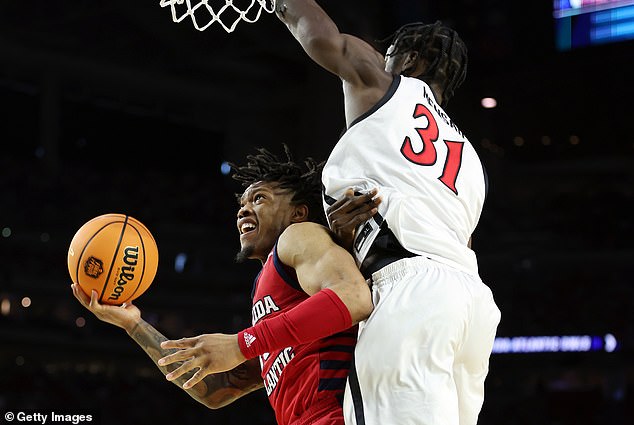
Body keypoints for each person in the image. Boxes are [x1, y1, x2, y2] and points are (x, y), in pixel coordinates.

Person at [273, 2, 502, 425]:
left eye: (390, 50)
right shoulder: (471, 162)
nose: (382, 56)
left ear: (409, 59)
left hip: (412, 291)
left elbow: (324, 37)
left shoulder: (384, 83)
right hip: (472, 307)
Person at [71, 145, 375, 425]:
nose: (243, 209)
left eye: (259, 198)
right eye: (242, 202)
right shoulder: (273, 290)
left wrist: (241, 344)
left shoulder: (299, 236)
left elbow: (354, 297)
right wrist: (134, 325)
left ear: (298, 213)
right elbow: (216, 390)